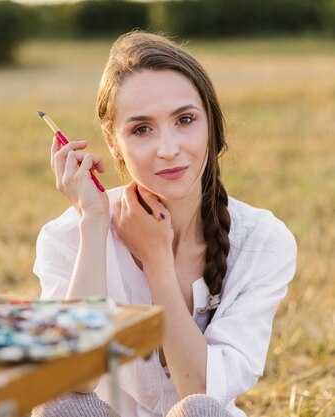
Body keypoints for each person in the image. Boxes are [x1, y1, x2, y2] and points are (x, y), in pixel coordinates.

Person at [32, 31, 297, 417]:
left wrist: (157, 261)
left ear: (211, 123)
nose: (169, 148)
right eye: (142, 129)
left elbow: (202, 392)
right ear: (112, 141)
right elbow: (73, 380)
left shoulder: (262, 241)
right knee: (61, 405)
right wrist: (93, 222)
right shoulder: (65, 237)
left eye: (185, 120)